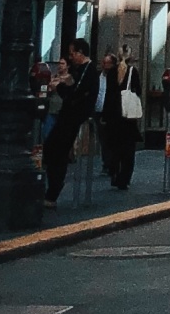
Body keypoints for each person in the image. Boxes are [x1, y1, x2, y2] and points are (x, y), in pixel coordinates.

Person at [41, 37, 98, 205]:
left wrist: (59, 87)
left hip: (74, 115)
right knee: (53, 149)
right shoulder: (80, 69)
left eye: (72, 53)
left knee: (56, 150)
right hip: (69, 113)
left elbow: (75, 92)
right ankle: (52, 189)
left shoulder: (88, 70)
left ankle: (53, 192)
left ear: (80, 53)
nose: (71, 57)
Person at [96, 43, 142, 192]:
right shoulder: (132, 72)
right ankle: (124, 179)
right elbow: (138, 91)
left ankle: (114, 175)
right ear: (130, 56)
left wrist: (105, 115)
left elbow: (108, 95)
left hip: (113, 117)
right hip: (127, 117)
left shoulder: (111, 73)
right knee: (128, 151)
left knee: (114, 148)